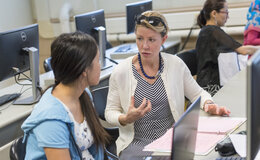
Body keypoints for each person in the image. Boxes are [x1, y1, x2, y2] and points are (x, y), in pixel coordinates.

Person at [105, 10, 230, 159]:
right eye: (140, 38)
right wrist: (125, 119)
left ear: (163, 39)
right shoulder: (121, 71)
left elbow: (198, 93)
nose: (144, 46)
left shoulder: (175, 64)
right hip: (136, 145)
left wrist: (209, 104)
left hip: (170, 141)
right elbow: (110, 111)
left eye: (151, 40)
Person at [21, 31, 110, 160]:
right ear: (84, 69)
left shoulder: (84, 95)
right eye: (97, 60)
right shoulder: (51, 120)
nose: (100, 66)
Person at [196, 0, 260, 96]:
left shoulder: (206, 31)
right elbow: (243, 50)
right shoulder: (213, 32)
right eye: (226, 12)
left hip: (207, 85)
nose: (228, 16)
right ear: (214, 13)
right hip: (211, 89)